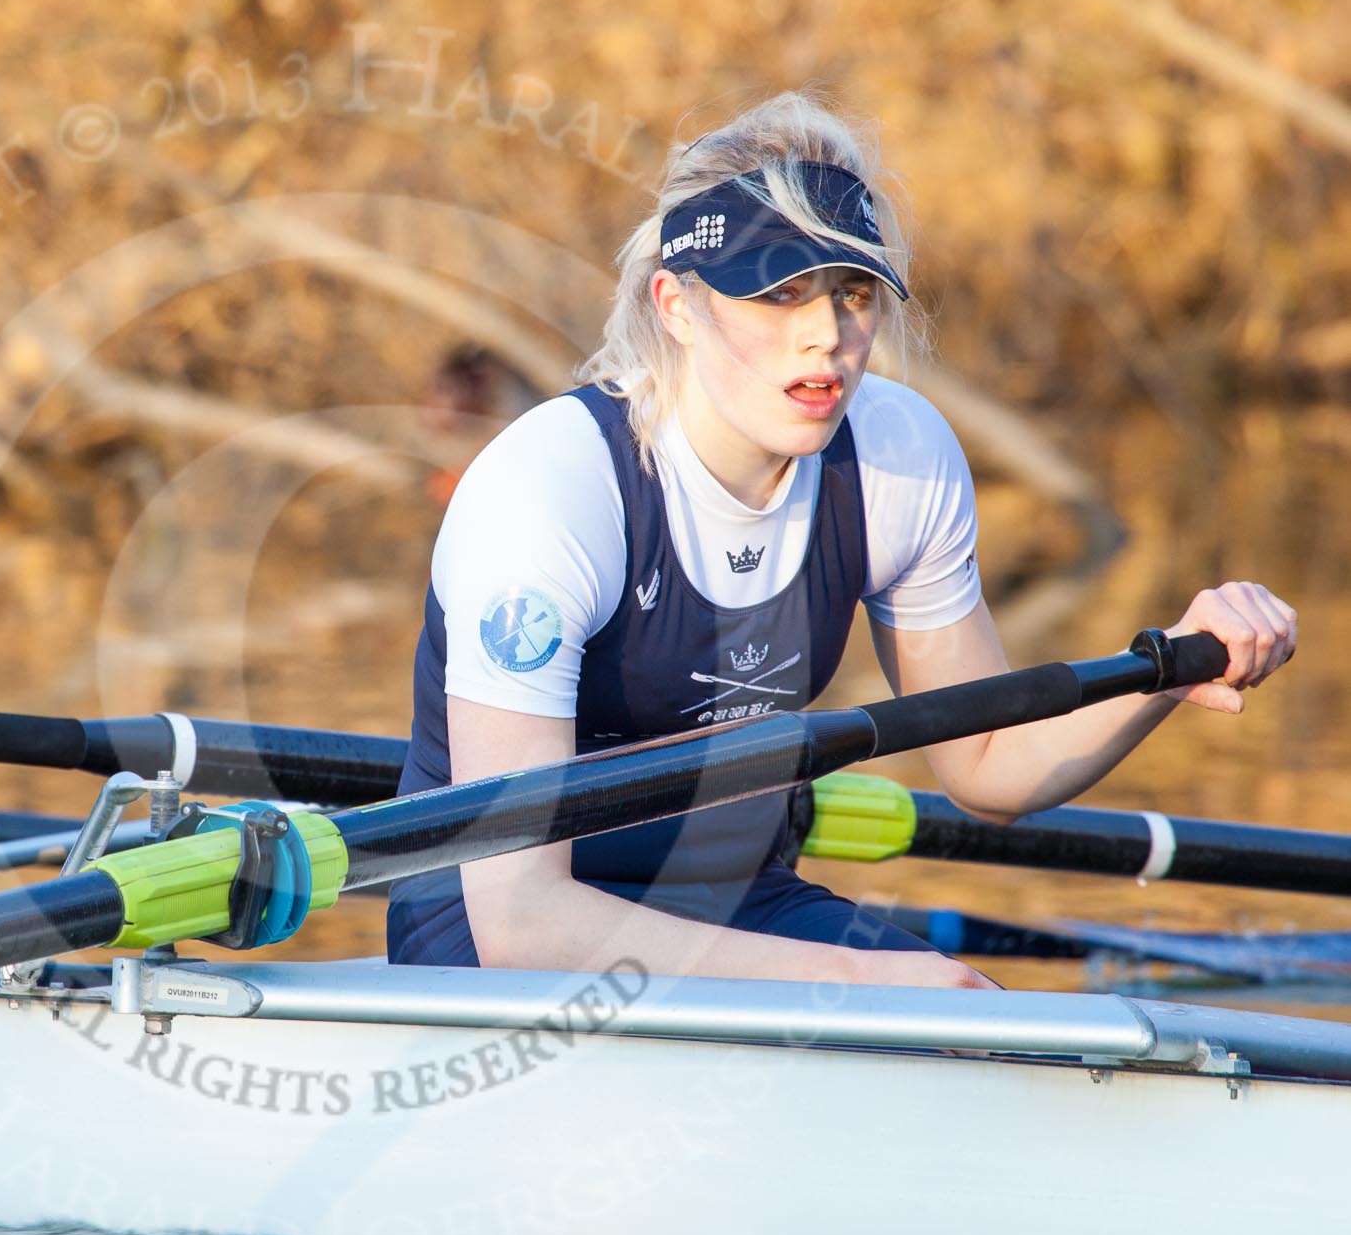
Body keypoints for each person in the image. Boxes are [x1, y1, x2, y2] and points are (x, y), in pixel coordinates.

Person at [386, 92, 1296, 986]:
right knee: (921, 1007)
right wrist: (858, 981)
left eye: (852, 292)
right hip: (497, 932)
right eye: (778, 294)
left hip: (739, 899)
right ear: (675, 304)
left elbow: (990, 765)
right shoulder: (552, 488)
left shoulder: (898, 458)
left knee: (982, 1029)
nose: (826, 337)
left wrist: (1168, 668)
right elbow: (519, 919)